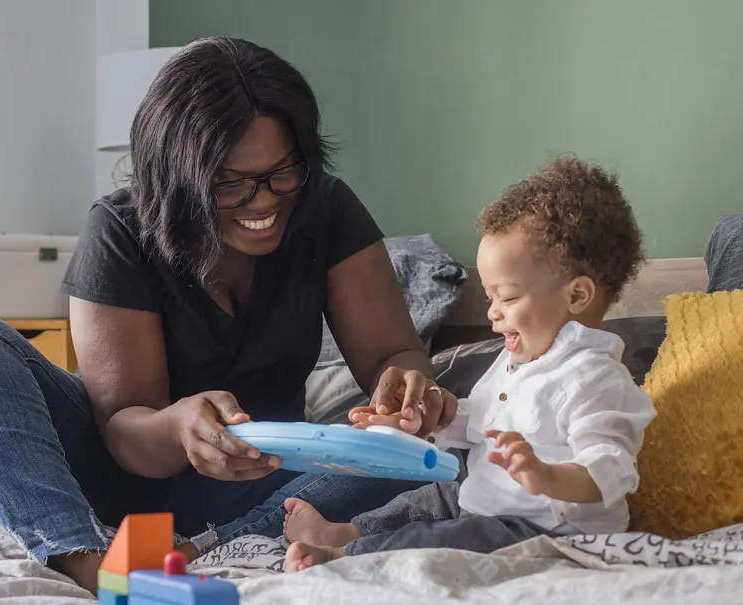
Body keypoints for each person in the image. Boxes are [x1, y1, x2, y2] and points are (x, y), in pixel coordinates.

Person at [0, 37, 457, 592]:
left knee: (430, 446)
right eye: (228, 183)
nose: (263, 202)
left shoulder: (327, 208)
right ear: (180, 175)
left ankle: (210, 547)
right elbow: (123, 427)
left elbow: (393, 354)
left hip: (264, 478)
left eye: (282, 172)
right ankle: (83, 561)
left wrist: (406, 387)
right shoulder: (121, 230)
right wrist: (178, 427)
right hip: (115, 478)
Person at [281, 156, 659, 571]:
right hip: (487, 503)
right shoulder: (517, 360)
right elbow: (479, 422)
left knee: (460, 535)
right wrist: (429, 418)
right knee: (434, 495)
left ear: (577, 296)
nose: (492, 313)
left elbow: (610, 469)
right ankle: (350, 532)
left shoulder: (596, 377)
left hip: (549, 533)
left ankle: (345, 557)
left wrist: (545, 475)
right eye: (490, 297)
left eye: (509, 298)